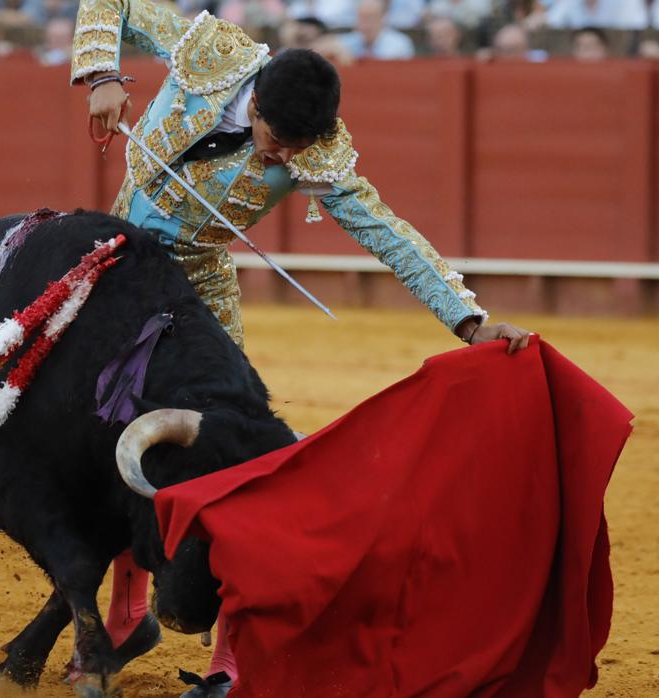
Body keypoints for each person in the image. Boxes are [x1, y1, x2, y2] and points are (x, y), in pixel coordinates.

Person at [70, 0, 532, 695]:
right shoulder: (210, 50)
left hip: (197, 289)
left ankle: (229, 653)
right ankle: (126, 613)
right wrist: (101, 73)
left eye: (293, 147)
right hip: (116, 266)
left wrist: (468, 321)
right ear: (252, 100)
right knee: (93, 432)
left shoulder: (318, 149)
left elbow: (386, 231)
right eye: (273, 137)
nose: (280, 156)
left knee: (221, 453)